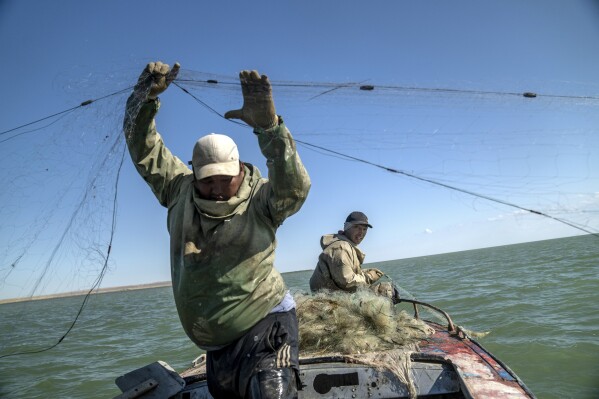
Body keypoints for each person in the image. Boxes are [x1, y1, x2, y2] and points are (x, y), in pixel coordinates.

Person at [123, 61, 310, 399]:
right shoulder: (178, 190)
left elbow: (295, 189)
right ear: (194, 174)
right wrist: (144, 98)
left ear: (240, 168)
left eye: (226, 178)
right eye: (208, 181)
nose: (218, 188)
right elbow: (144, 148)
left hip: (268, 327)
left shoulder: (262, 199)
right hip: (219, 349)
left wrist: (270, 129)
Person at [309, 211, 394, 299]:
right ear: (347, 228)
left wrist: (364, 272)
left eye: (364, 229)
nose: (361, 232)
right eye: (356, 227)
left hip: (336, 296)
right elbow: (347, 281)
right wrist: (369, 277)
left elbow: (343, 274)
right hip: (331, 301)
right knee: (386, 290)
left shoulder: (345, 246)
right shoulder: (341, 247)